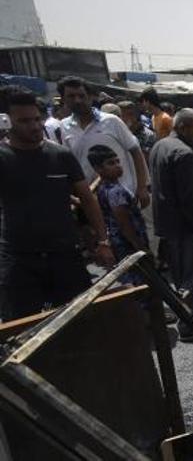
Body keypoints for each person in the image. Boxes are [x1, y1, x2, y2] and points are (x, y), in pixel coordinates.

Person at [0, 88, 114, 321]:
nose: (34, 126)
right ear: (6, 121)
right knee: (22, 330)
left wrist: (103, 241)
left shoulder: (60, 155)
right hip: (19, 259)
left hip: (65, 255)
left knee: (79, 322)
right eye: (23, 121)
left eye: (36, 119)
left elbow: (87, 199)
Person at [149, 108, 193, 341]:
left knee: (180, 273)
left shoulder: (161, 145)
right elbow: (189, 198)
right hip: (187, 226)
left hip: (169, 225)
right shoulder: (183, 153)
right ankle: (190, 325)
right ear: (183, 128)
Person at [58, 76, 151, 209]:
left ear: (90, 97)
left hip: (123, 197)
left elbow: (135, 151)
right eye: (71, 96)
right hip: (91, 200)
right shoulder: (64, 126)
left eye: (81, 95)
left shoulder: (112, 121)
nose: (77, 100)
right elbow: (70, 163)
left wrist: (142, 187)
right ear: (63, 99)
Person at [89, 145, 150, 285]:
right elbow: (124, 223)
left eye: (117, 161)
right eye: (111, 163)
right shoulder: (115, 191)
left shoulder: (104, 187)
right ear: (98, 169)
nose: (117, 166)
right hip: (128, 245)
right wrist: (140, 246)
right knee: (142, 283)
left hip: (120, 243)